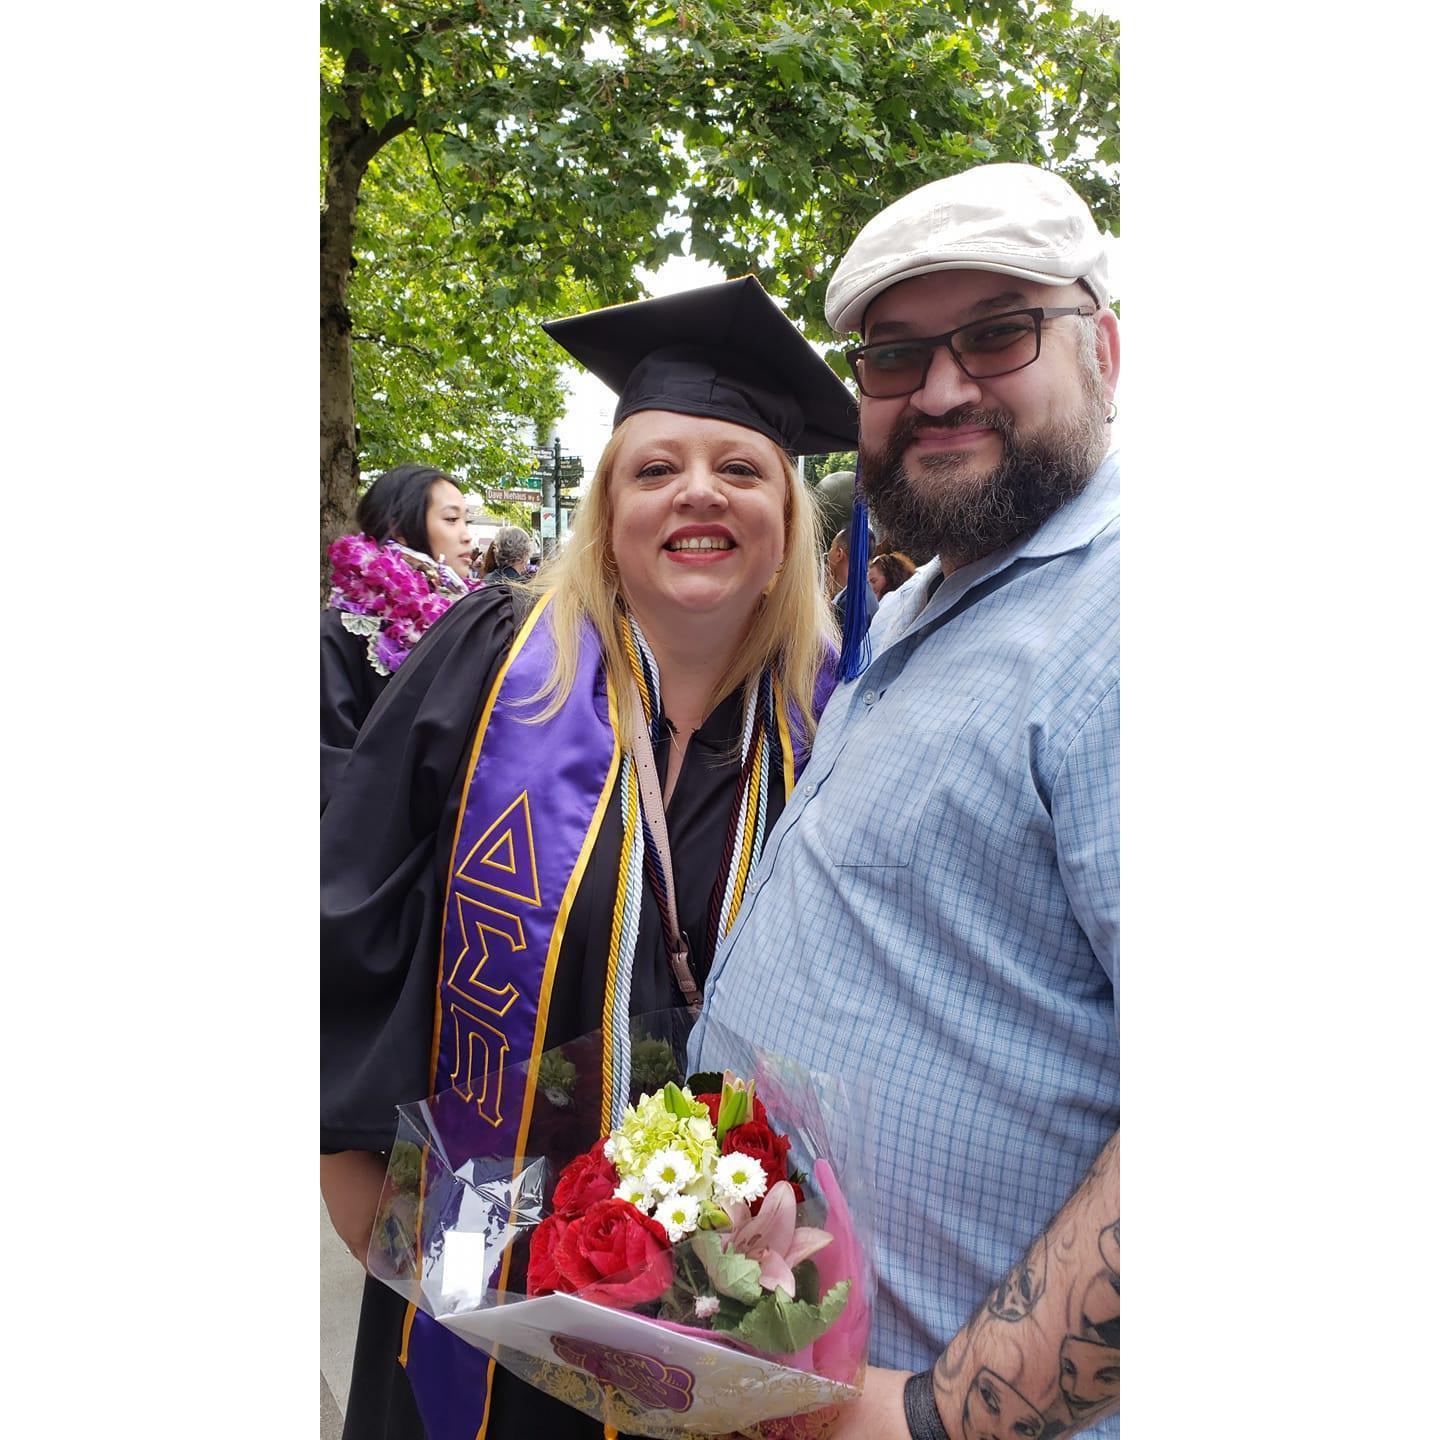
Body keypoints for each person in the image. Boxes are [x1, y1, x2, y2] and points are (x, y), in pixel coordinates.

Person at [321, 275, 855, 1440]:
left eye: (740, 468)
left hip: (711, 1290)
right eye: (656, 467)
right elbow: (344, 905)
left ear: (786, 519)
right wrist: (348, 1178)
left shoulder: (827, 721)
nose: (696, 493)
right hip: (467, 1245)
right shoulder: (492, 663)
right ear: (607, 506)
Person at [696, 163, 1121, 1439]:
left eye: (999, 330)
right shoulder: (931, 597)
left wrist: (937, 1415)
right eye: (895, 354)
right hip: (790, 1363)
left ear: (1104, 343)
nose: (940, 389)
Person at [321, 464, 475, 809]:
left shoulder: (469, 618)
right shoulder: (342, 631)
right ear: (400, 530)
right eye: (451, 520)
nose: (466, 536)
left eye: (467, 521)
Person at [825, 523, 878, 628]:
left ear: (839, 553)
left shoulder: (852, 603)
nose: (828, 554)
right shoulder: (860, 593)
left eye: (831, 547)